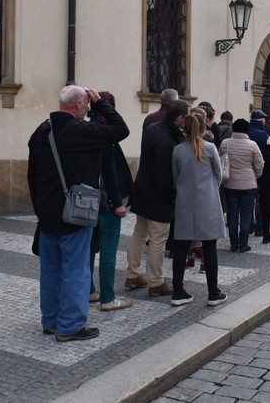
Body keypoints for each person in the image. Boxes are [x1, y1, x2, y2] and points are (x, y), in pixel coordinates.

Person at [27, 85, 129, 341]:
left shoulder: (41, 132)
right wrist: (101, 104)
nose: (87, 109)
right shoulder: (82, 131)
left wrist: (39, 208)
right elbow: (121, 129)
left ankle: (50, 321)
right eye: (85, 105)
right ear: (78, 105)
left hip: (47, 213)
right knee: (76, 270)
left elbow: (32, 175)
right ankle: (71, 325)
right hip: (76, 212)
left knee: (50, 271)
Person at [126, 100, 189, 297]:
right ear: (179, 118)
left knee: (139, 234)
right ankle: (156, 282)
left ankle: (132, 274)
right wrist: (172, 196)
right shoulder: (167, 141)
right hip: (157, 197)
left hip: (142, 190)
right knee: (158, 239)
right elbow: (164, 176)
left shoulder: (153, 128)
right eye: (186, 118)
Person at [170, 111, 228, 307]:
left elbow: (175, 176)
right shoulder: (210, 148)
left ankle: (177, 290)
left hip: (185, 202)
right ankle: (213, 291)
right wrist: (209, 189)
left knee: (181, 247)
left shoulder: (178, 150)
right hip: (207, 202)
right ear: (204, 129)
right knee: (210, 247)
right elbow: (218, 175)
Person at [88, 91, 134, 312]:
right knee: (108, 249)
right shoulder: (106, 132)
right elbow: (109, 171)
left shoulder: (87, 128)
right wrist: (118, 203)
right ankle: (107, 297)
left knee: (89, 248)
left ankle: (89, 291)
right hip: (105, 202)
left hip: (88, 201)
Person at [220, 119, 263, 253]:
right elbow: (260, 164)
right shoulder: (252, 145)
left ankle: (233, 243)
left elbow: (219, 161)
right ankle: (243, 244)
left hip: (229, 183)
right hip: (248, 185)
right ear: (247, 130)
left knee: (232, 214)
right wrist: (254, 176)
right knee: (245, 215)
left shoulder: (225, 144)